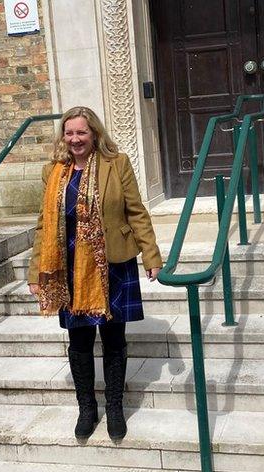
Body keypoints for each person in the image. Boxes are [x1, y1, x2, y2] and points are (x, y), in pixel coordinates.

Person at [28, 106, 162, 441]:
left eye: (81, 133)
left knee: (114, 338)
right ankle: (87, 409)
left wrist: (151, 253)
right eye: (69, 133)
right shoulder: (53, 172)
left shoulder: (117, 164)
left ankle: (115, 407)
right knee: (80, 341)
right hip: (69, 267)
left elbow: (137, 211)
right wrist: (35, 272)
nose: (75, 139)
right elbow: (44, 225)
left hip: (112, 264)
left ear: (94, 134)